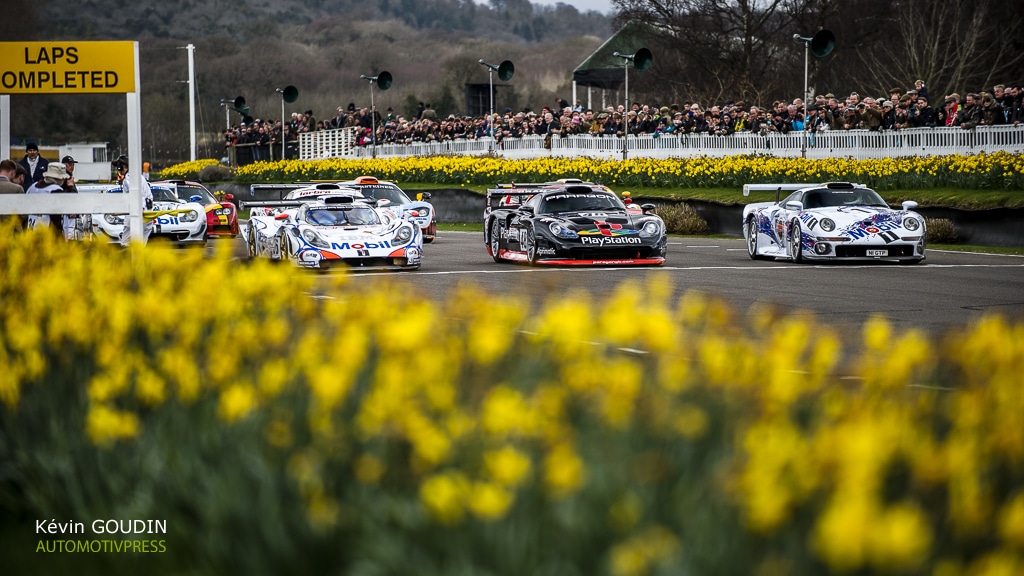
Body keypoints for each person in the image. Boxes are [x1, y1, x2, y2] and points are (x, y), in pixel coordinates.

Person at [26, 163, 67, 232]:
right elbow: (56, 218)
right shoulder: (55, 190)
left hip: (31, 229)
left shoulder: (33, 186)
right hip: (47, 232)